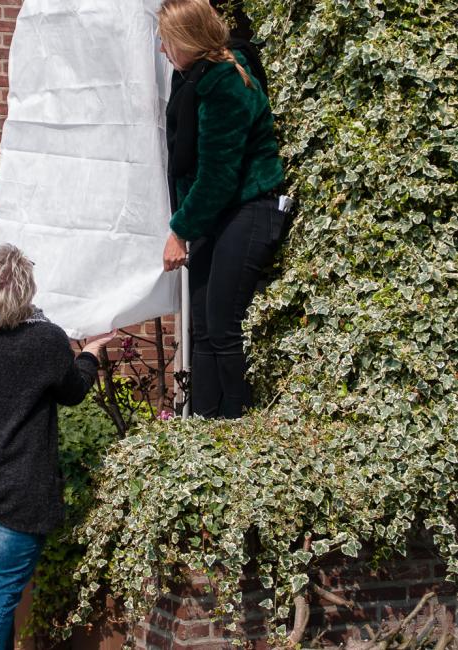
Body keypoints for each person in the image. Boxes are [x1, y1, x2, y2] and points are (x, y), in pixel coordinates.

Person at [0, 243, 114, 650]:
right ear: (27, 290)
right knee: (1, 593)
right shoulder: (46, 340)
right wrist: (89, 355)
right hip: (20, 492)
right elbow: (73, 393)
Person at [158, 0, 287, 418]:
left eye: (167, 42)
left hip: (249, 208)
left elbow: (218, 174)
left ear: (188, 40)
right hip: (218, 215)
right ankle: (204, 426)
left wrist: (180, 231)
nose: (163, 51)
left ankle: (236, 429)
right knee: (202, 327)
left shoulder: (226, 82)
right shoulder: (193, 79)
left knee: (221, 325)